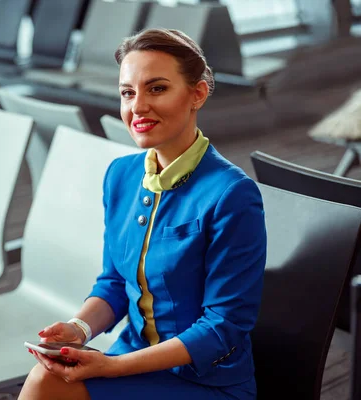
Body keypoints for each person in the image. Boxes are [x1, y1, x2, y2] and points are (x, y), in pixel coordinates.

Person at [18, 28, 267, 400]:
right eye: (127, 92)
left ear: (197, 94)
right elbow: (115, 282)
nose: (137, 107)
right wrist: (79, 330)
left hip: (204, 381)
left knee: (45, 384)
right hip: (129, 357)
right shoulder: (121, 174)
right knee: (47, 378)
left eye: (157, 88)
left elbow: (222, 326)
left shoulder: (232, 194)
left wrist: (113, 367)